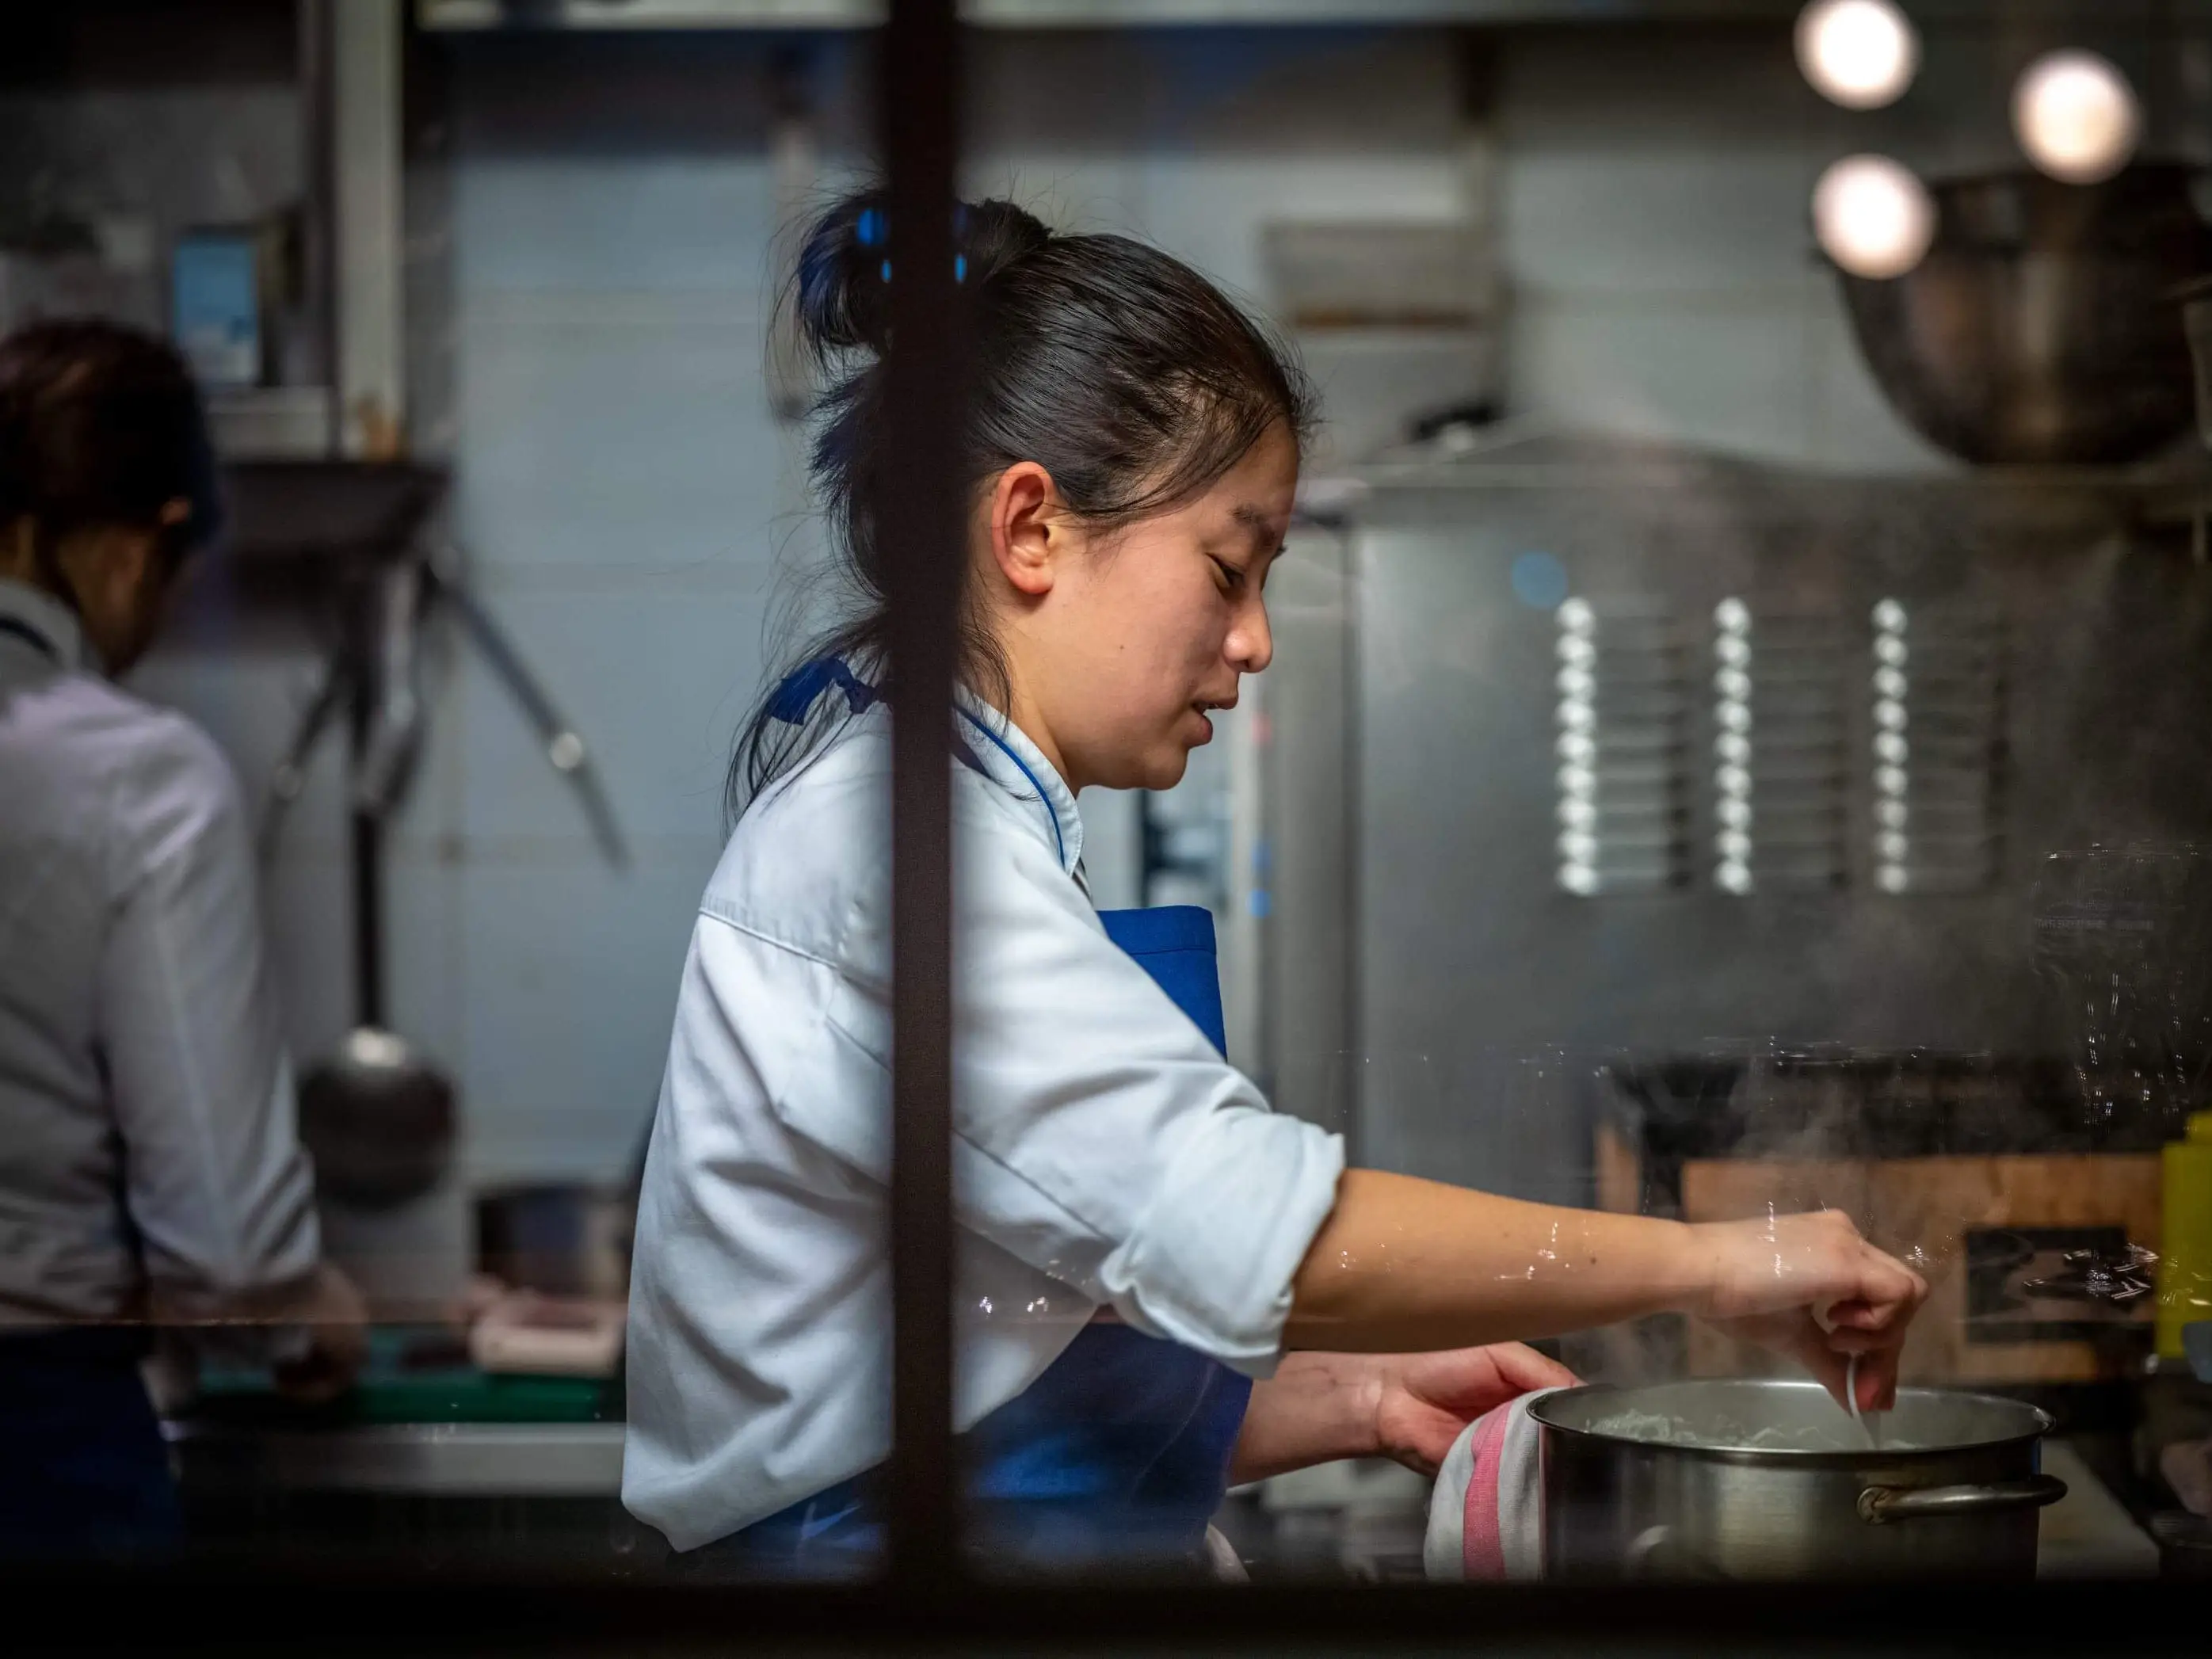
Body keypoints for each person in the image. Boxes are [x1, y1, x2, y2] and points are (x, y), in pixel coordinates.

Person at [621, 193, 1927, 1573]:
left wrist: (1357, 1394)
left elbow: (974, 1351)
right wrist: (1724, 1260)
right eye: (1228, 567)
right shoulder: (901, 852)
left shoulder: (968, 825)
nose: (1253, 642)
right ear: (1029, 531)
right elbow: (1243, 1227)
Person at [0, 318, 364, 1554]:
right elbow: (230, 1254)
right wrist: (314, 1311)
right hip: (35, 1439)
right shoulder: (133, 778)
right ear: (142, 539)